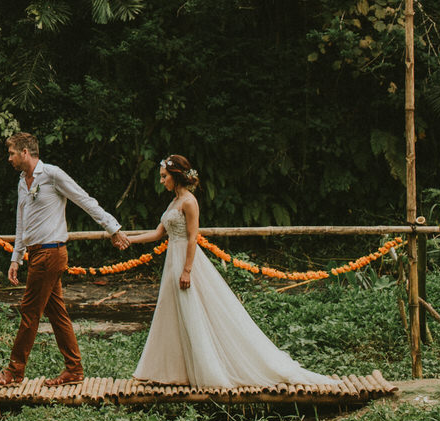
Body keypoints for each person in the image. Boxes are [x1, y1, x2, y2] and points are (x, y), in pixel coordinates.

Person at [127, 154, 337, 387]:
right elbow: (158, 234)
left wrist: (187, 270)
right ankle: (172, 371)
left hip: (186, 262)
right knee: (172, 312)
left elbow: (193, 238)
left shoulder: (188, 202)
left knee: (193, 310)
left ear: (176, 176)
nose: (161, 181)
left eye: (164, 177)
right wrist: (127, 238)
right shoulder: (173, 202)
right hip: (171, 262)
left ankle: (209, 368)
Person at [0, 132, 130, 388]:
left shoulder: (53, 174)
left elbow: (84, 199)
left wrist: (113, 228)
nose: (9, 158)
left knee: (30, 311)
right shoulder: (22, 182)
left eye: (12, 153)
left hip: (51, 252)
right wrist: (16, 257)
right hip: (35, 253)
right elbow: (21, 220)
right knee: (56, 313)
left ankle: (14, 371)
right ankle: (74, 369)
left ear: (25, 152)